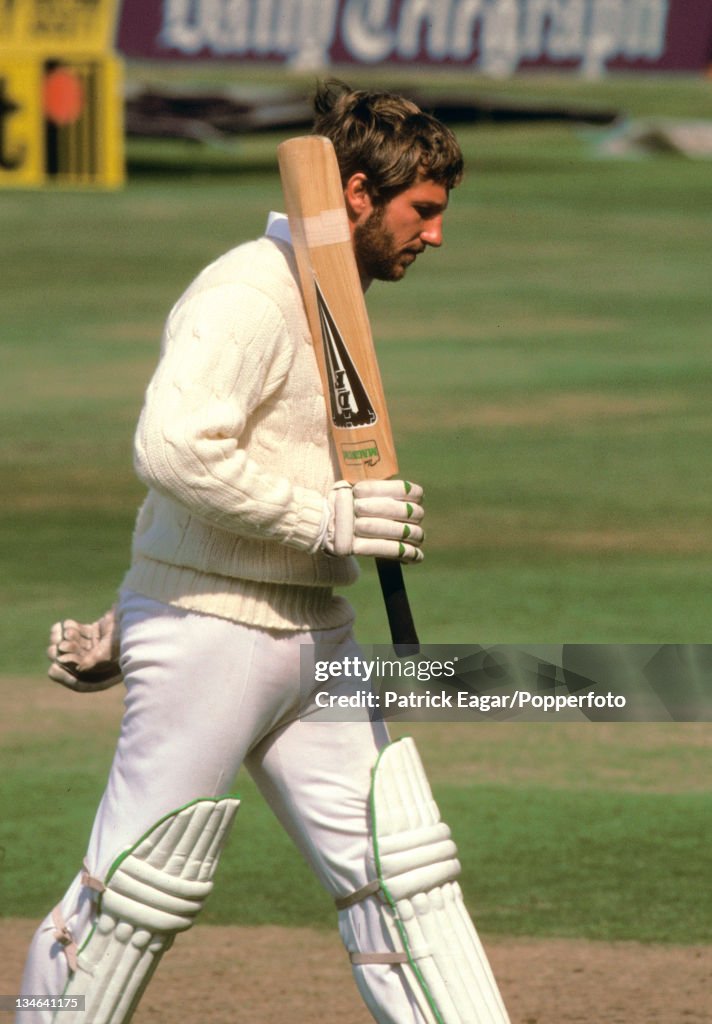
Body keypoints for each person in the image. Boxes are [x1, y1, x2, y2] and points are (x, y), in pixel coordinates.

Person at [21, 81, 511, 1024]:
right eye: (425, 211)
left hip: (315, 633)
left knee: (401, 875)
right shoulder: (248, 288)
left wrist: (132, 607)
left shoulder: (334, 293)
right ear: (358, 195)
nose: (437, 236)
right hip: (211, 635)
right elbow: (173, 448)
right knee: (132, 896)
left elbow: (255, 462)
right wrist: (326, 521)